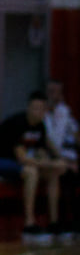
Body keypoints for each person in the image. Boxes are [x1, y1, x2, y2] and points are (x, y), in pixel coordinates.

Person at [0, 91, 69, 241]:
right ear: (28, 108)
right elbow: (23, 159)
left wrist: (56, 162)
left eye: (41, 109)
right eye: (34, 108)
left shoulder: (40, 127)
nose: (37, 111)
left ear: (45, 111)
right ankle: (29, 225)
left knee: (53, 173)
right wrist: (52, 163)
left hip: (16, 163)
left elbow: (41, 153)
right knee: (31, 172)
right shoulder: (18, 124)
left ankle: (54, 222)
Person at [45, 78, 78, 232]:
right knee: (64, 172)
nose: (54, 96)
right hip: (51, 158)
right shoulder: (42, 113)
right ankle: (63, 222)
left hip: (70, 157)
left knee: (71, 171)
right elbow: (49, 142)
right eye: (51, 92)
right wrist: (64, 160)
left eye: (57, 92)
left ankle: (72, 222)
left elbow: (76, 135)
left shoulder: (65, 112)